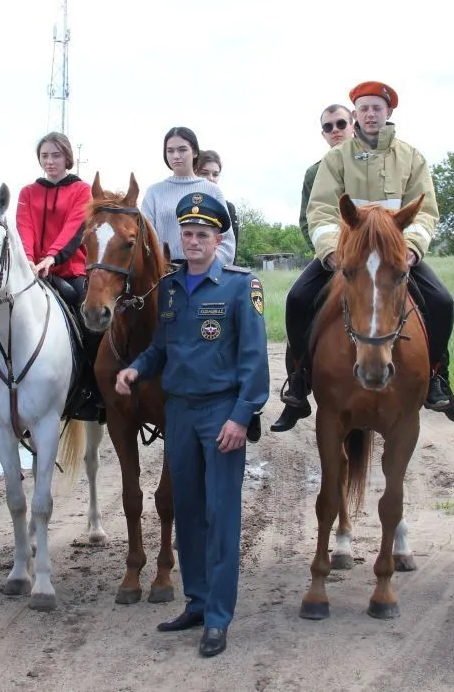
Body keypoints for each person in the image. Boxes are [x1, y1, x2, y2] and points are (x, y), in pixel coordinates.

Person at [115, 193, 269, 658]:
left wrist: (242, 416)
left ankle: (219, 619)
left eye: (204, 234)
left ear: (219, 240)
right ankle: (197, 603)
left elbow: (254, 359)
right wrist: (136, 369)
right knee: (187, 512)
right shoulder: (172, 286)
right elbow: (162, 346)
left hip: (222, 414)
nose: (195, 241)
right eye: (188, 234)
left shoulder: (242, 287)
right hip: (179, 413)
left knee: (220, 517)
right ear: (179, 238)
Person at [271, 80, 454, 432]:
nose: (370, 114)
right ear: (356, 115)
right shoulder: (335, 159)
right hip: (347, 255)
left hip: (396, 254)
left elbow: (425, 211)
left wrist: (410, 248)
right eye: (363, 108)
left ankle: (439, 379)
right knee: (298, 299)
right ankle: (300, 381)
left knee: (442, 302)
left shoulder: (412, 157)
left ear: (388, 112)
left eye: (376, 108)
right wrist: (333, 251)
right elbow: (319, 209)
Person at [16, 131, 104, 422]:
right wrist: (28, 260)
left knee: (90, 323)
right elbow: (24, 227)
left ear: (67, 156)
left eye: (56, 155)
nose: (50, 161)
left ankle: (93, 390)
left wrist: (51, 258)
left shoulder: (81, 190)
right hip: (31, 271)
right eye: (44, 156)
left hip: (70, 270)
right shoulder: (28, 191)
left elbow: (74, 228)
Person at [141, 127, 237, 266]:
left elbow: (227, 242)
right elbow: (145, 241)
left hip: (205, 276)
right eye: (170, 150)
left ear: (195, 152)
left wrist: (206, 269)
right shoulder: (154, 192)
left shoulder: (212, 190)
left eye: (182, 149)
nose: (176, 156)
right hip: (164, 276)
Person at [299, 104, 354, 251]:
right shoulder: (313, 173)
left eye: (341, 124)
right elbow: (306, 220)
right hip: (332, 250)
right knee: (305, 276)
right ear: (324, 134)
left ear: (353, 126)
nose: (335, 129)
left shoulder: (373, 162)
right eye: (328, 127)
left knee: (420, 274)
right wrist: (325, 252)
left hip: (380, 247)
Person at [195, 149, 241, 252]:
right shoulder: (184, 206)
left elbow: (231, 249)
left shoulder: (228, 208)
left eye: (215, 174)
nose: (210, 178)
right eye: (204, 173)